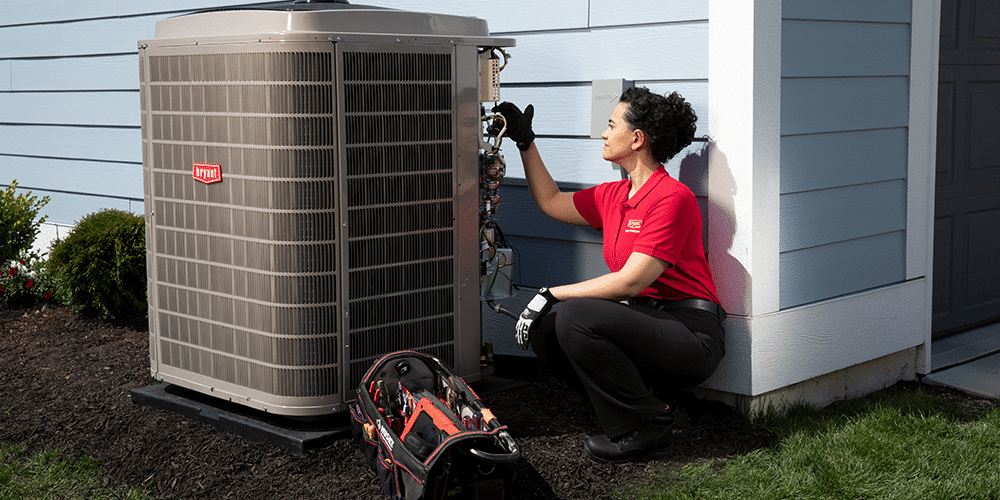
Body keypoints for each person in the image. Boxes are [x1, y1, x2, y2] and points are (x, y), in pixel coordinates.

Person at [493, 87, 726, 463]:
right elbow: (551, 201)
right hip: (646, 321)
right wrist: (526, 142)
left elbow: (633, 280)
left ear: (636, 139)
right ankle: (635, 406)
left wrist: (551, 293)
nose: (603, 133)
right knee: (546, 330)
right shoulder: (614, 195)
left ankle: (647, 428)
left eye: (610, 124)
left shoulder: (671, 198)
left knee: (575, 315)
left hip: (691, 332)